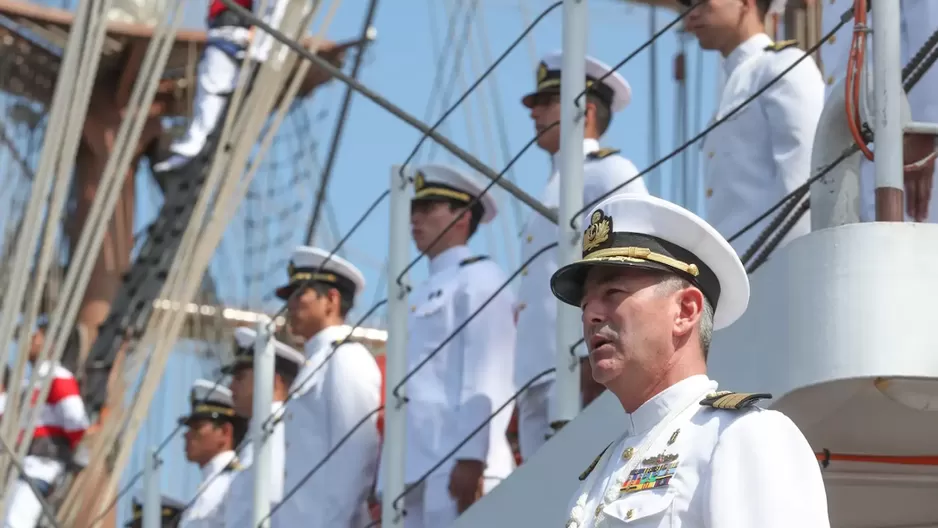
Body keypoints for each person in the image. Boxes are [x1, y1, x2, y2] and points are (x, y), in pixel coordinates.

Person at [549, 193, 829, 527]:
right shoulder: (598, 478)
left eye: (613, 294)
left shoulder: (742, 437)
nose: (591, 314)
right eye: (585, 306)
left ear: (685, 311)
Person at [514, 50, 649, 463]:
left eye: (546, 103)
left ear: (584, 109)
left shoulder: (609, 172)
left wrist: (595, 359)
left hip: (578, 363)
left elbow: (629, 268)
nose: (534, 113)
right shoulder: (554, 184)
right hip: (539, 370)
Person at [375, 164, 517, 527]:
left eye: (428, 208)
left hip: (458, 464)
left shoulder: (482, 278)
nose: (415, 219)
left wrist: (473, 456)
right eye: (413, 210)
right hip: (413, 468)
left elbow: (489, 374)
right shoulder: (417, 294)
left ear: (462, 217)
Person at [682, 0, 824, 257]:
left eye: (702, 3)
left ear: (745, 3)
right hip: (738, 268)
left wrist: (790, 265)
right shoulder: (734, 83)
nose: (691, 16)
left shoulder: (783, 66)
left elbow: (804, 184)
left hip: (775, 263)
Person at [271, 246, 381, 528]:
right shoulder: (317, 363)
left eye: (299, 295)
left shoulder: (345, 358)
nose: (290, 306)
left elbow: (356, 455)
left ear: (331, 299)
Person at [821, 0, 938, 223]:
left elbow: (928, 29)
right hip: (861, 148)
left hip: (907, 146)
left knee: (917, 244)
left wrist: (922, 131)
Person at [151, 0, 287, 173]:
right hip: (230, 33)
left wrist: (258, 40)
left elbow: (272, 9)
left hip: (234, 33)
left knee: (212, 90)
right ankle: (198, 144)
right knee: (212, 91)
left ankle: (198, 144)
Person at [4, 315, 90, 528]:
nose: (32, 338)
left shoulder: (57, 377)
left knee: (16, 521)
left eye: (39, 334)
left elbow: (76, 421)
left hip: (40, 465)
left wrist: (66, 450)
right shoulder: (31, 383)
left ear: (53, 344)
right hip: (21, 464)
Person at [223, 326, 303, 527]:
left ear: (273, 381)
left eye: (239, 378)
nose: (231, 387)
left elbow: (275, 504)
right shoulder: (260, 434)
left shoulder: (280, 434)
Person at [177, 379, 247, 528]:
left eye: (197, 427)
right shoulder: (210, 484)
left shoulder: (233, 482)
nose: (187, 435)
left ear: (225, 432)